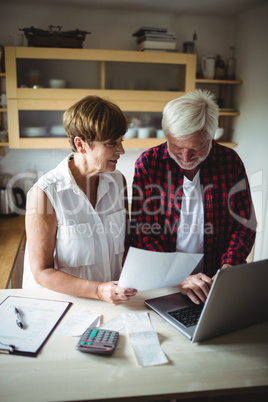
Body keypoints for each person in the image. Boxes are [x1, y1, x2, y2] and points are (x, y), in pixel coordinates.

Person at [130, 89, 256, 305]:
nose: (186, 158)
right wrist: (177, 277)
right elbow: (143, 231)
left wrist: (228, 268)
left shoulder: (230, 162)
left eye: (196, 148)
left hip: (215, 282)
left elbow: (244, 224)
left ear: (211, 136)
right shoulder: (149, 163)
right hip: (164, 283)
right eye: (177, 147)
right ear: (166, 135)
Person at [23, 95, 137, 305]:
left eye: (121, 141)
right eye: (111, 143)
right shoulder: (44, 194)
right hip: (62, 307)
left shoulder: (117, 181)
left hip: (113, 304)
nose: (121, 150)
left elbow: (126, 244)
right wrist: (99, 290)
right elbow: (41, 271)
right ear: (81, 144)